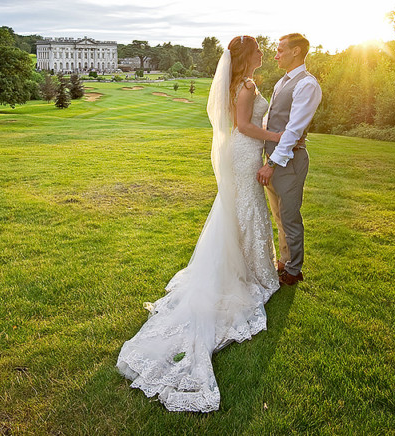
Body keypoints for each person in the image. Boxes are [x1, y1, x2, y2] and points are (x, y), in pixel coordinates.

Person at [117, 35, 282, 412]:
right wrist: (278, 136)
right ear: (246, 57)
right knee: (247, 209)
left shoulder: (238, 83)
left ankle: (249, 265)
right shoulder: (246, 85)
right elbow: (242, 126)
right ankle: (254, 272)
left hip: (242, 155)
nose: (262, 54)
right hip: (244, 153)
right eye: (257, 50)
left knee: (241, 210)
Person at [256, 33, 322, 286]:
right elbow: (274, 121)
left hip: (289, 161)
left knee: (290, 216)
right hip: (272, 156)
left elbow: (294, 129)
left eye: (281, 50)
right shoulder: (282, 82)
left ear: (296, 51)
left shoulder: (307, 84)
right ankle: (285, 260)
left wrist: (271, 163)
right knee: (279, 214)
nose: (276, 55)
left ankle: (294, 271)